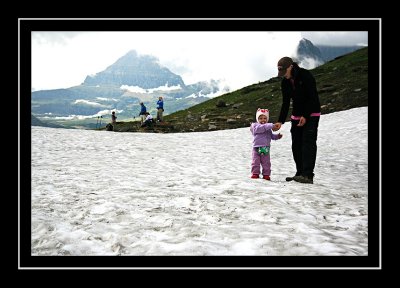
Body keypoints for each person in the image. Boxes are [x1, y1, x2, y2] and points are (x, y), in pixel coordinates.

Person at [273, 56, 321, 184]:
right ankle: (299, 173)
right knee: (296, 145)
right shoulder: (285, 82)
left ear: (291, 67)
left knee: (308, 143)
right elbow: (285, 102)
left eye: (285, 72)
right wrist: (280, 121)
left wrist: (306, 115)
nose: (284, 75)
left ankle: (308, 175)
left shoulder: (305, 76)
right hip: (296, 115)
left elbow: (313, 97)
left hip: (311, 114)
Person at [250, 108, 282, 180]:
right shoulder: (255, 126)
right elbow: (260, 129)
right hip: (256, 147)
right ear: (257, 119)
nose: (263, 120)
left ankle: (266, 174)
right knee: (255, 161)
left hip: (265, 148)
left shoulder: (268, 128)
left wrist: (277, 136)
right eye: (260, 118)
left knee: (266, 162)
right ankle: (255, 173)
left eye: (265, 118)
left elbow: (271, 136)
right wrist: (271, 125)